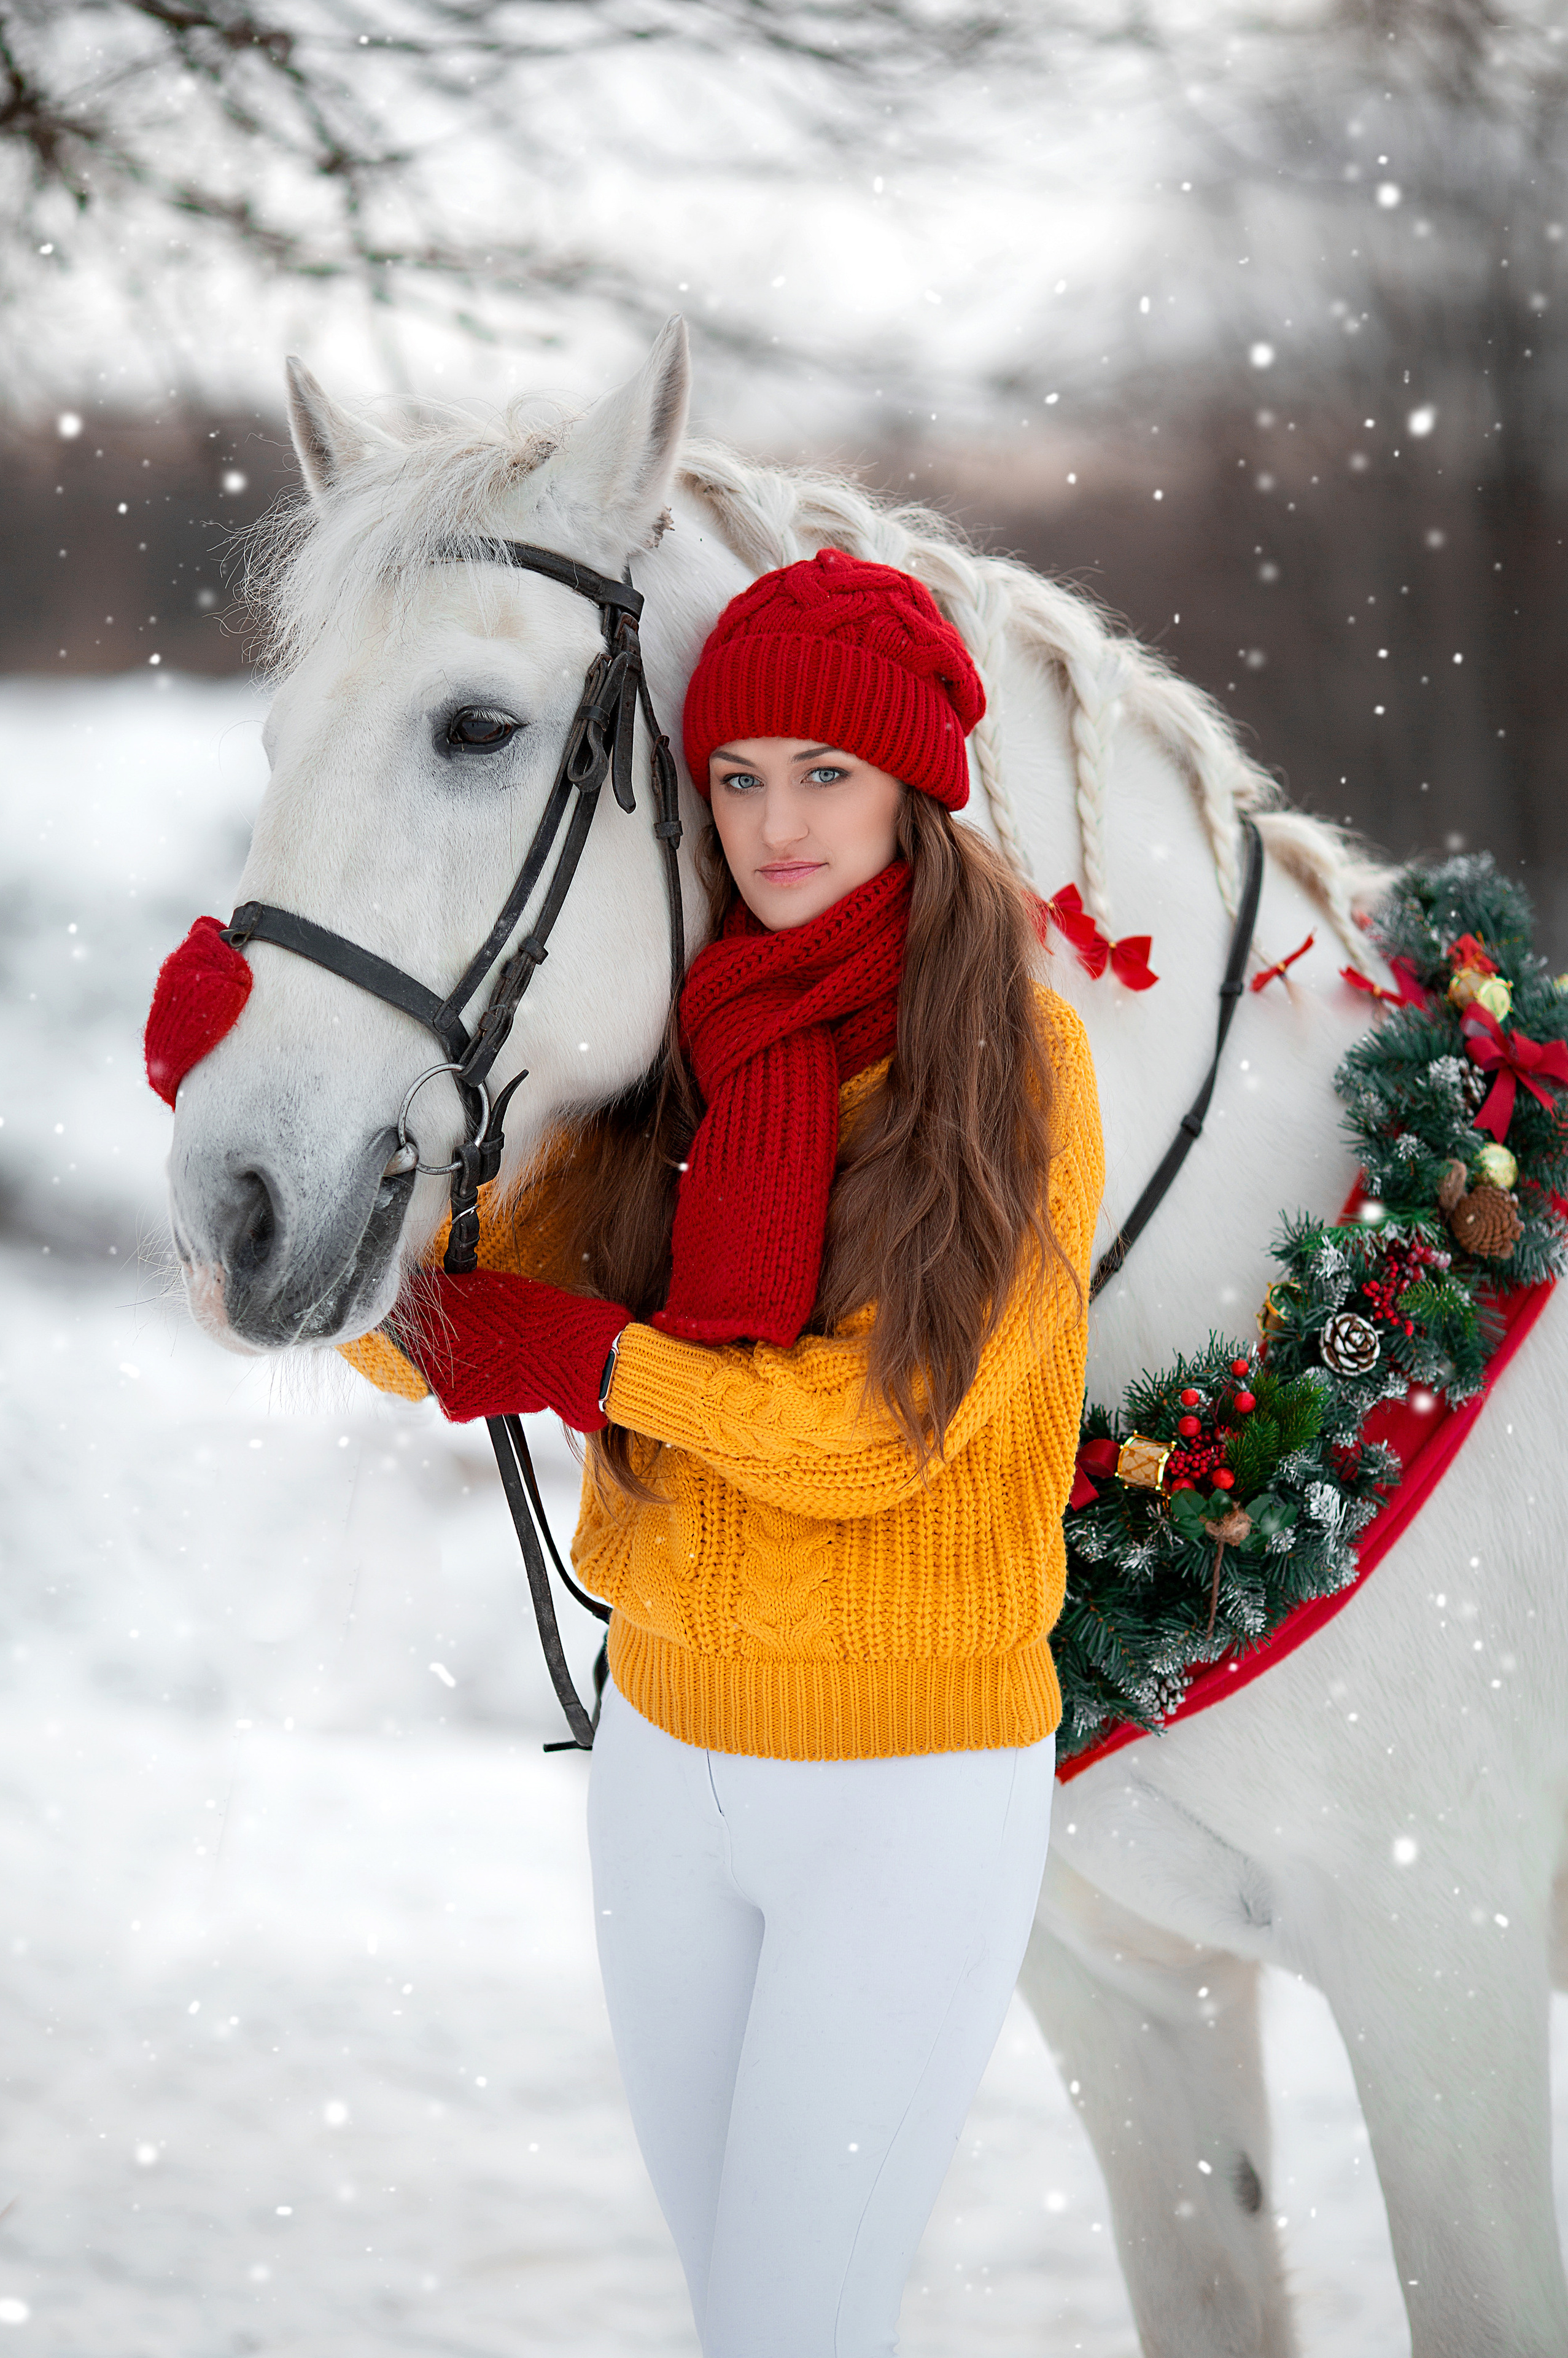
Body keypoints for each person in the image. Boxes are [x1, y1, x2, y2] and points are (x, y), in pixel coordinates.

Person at [343, 547, 1104, 2356]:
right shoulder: (672, 1050)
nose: (774, 825)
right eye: (736, 778)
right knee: (745, 2314)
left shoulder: (1014, 1062)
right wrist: (301, 1151)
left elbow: (869, 1437)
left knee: (791, 2321)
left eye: (822, 776)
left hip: (907, 1784)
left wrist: (599, 1360)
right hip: (665, 1754)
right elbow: (428, 1344)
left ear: (916, 791)